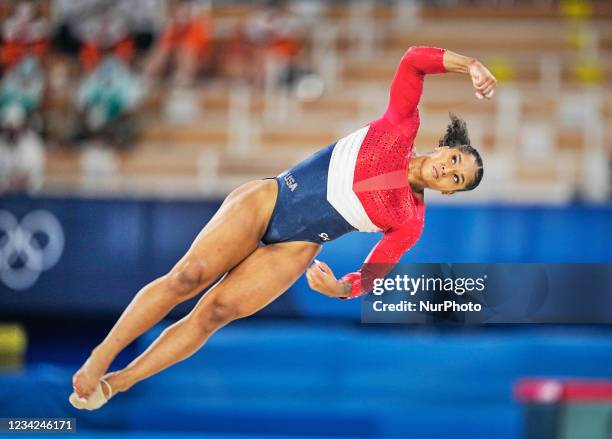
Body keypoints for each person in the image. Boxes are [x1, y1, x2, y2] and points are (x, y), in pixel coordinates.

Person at [69, 46, 497, 410]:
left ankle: (119, 382)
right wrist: (471, 65)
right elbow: (413, 61)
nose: (449, 171)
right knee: (188, 278)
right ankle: (100, 356)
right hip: (271, 200)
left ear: (450, 193)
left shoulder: (410, 220)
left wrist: (341, 289)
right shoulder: (401, 126)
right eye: (456, 160)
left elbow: (371, 275)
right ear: (446, 147)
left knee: (214, 314)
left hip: (297, 248)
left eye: (457, 179)